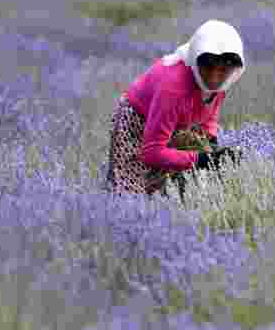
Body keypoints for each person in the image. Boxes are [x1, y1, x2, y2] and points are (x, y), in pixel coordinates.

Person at [105, 19, 245, 198]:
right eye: (208, 68)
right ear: (196, 60)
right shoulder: (173, 87)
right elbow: (152, 152)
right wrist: (200, 159)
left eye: (223, 70)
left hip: (177, 120)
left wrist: (212, 147)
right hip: (137, 121)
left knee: (179, 189)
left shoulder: (223, 82)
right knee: (130, 194)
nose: (214, 77)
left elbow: (208, 114)